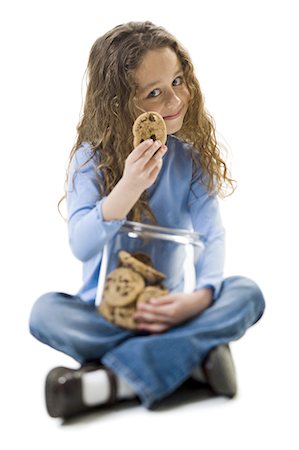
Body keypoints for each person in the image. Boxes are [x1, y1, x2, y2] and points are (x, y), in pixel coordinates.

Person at [29, 21, 265, 419]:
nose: (174, 100)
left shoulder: (190, 160)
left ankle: (109, 381)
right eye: (154, 92)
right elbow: (81, 245)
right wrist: (128, 187)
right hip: (106, 315)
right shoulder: (90, 159)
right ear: (120, 103)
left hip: (172, 311)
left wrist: (199, 298)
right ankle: (191, 359)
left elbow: (212, 237)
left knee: (247, 293)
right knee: (43, 312)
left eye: (178, 80)